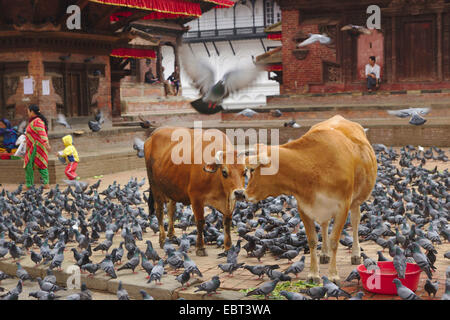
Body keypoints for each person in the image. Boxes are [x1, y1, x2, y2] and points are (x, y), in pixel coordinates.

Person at [23, 104, 51, 190]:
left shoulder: (37, 121)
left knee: (29, 164)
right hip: (33, 146)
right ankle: (45, 183)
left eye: (28, 111)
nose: (27, 113)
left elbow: (42, 133)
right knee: (40, 164)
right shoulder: (33, 121)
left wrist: (47, 144)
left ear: (32, 111)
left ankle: (29, 184)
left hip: (36, 147)